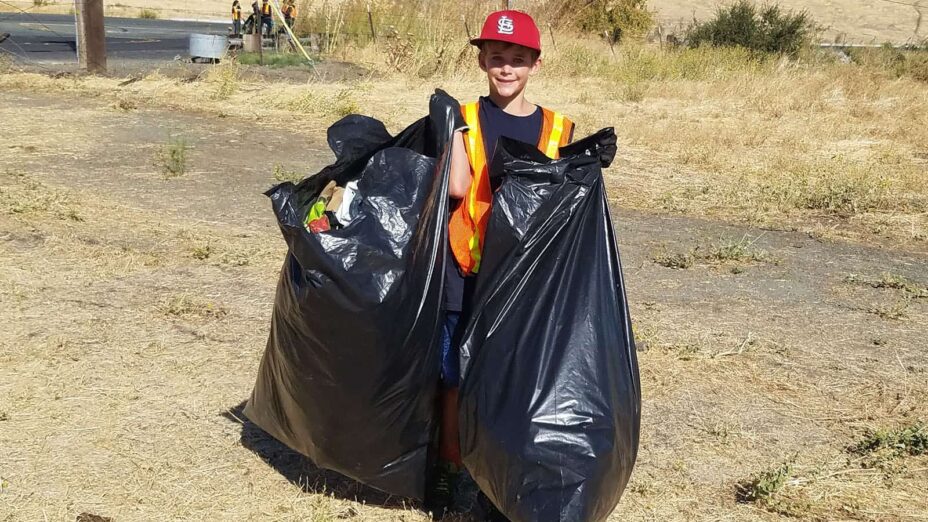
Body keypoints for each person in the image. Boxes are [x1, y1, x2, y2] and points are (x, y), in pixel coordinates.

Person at [425, 9, 576, 521]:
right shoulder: (463, 117)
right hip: (464, 271)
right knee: (454, 379)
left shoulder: (557, 128)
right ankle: (449, 470)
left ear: (534, 63)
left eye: (517, 59)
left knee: (512, 379)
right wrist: (447, 128)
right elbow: (456, 188)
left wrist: (588, 168)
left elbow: (563, 205)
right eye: (496, 58)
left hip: (522, 281)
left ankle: (500, 472)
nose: (506, 68)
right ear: (482, 60)